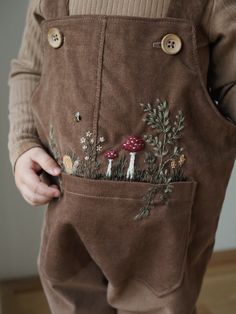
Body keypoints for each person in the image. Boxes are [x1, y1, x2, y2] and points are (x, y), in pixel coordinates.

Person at [7, 0, 236, 313]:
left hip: (167, 218)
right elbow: (30, 68)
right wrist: (23, 142)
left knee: (162, 300)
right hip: (68, 207)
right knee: (71, 300)